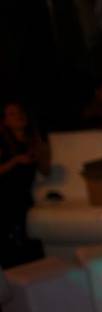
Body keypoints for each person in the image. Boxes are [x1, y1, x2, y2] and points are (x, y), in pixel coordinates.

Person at [0, 101, 49, 268]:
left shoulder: (33, 141)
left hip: (22, 195)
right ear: (5, 121)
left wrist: (42, 154)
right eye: (12, 114)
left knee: (26, 230)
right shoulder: (3, 143)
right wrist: (15, 161)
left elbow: (45, 171)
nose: (19, 116)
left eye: (20, 112)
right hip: (5, 194)